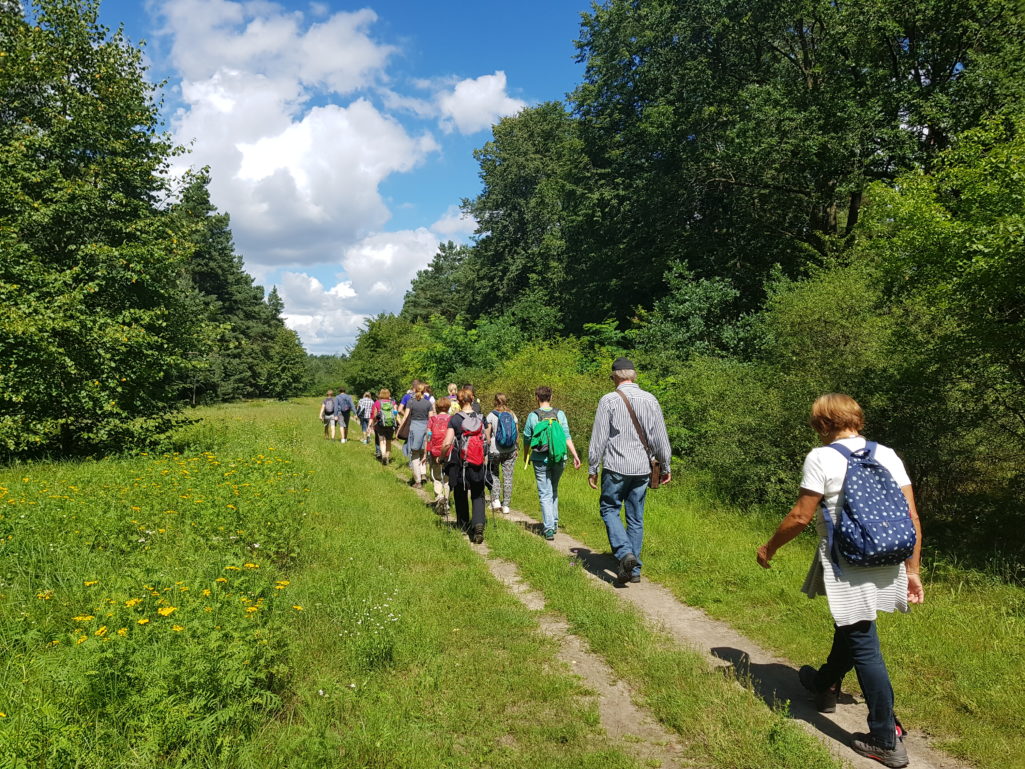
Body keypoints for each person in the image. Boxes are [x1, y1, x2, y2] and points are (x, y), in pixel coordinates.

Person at [756, 393, 924, 769]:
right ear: (856, 419)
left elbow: (801, 517)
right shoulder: (887, 454)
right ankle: (824, 684)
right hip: (888, 557)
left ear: (821, 424)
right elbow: (912, 516)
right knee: (852, 626)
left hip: (848, 562)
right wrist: (912, 571)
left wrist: (768, 548)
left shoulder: (821, 457)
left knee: (864, 644)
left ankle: (885, 738)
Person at [588, 358, 672, 585]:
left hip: (616, 467)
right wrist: (666, 466)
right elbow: (660, 438)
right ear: (633, 376)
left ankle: (625, 554)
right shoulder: (650, 399)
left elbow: (599, 438)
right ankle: (634, 571)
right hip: (642, 468)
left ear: (615, 376)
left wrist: (592, 467)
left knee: (609, 509)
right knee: (636, 516)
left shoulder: (609, 400)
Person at [522, 386, 581, 540]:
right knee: (553, 489)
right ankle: (553, 523)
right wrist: (575, 455)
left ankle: (548, 528)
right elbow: (566, 436)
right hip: (559, 458)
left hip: (540, 459)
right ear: (551, 397)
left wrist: (526, 455)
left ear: (537, 397)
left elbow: (527, 438)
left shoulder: (533, 416)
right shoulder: (559, 414)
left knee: (544, 492)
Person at [442, 387, 492, 543]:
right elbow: (487, 440)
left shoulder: (455, 419)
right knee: (478, 494)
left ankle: (463, 525)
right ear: (472, 399)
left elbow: (447, 442)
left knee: (460, 492)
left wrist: (442, 457)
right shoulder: (481, 418)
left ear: (458, 400)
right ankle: (478, 524)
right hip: (477, 462)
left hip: (460, 463)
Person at [486, 393, 518, 514]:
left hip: (495, 450)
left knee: (494, 475)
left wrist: (488, 447)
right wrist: (516, 448)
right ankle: (506, 506)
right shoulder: (512, 414)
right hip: (510, 450)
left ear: (495, 401)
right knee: (508, 477)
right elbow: (516, 433)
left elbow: (488, 435)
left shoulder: (491, 415)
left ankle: (496, 501)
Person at [425, 396, 453, 515]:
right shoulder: (451, 419)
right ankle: (445, 501)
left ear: (437, 407)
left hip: (435, 450)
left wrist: (427, 450)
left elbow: (428, 435)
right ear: (448, 407)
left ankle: (439, 496)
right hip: (448, 451)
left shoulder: (432, 419)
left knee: (436, 476)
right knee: (447, 477)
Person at [402, 382, 433, 489]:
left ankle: (418, 481)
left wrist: (398, 431)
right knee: (423, 453)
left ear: (415, 390)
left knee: (414, 455)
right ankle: (423, 473)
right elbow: (431, 419)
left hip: (414, 429)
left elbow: (405, 416)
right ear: (425, 391)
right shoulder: (428, 404)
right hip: (425, 429)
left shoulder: (411, 402)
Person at [370, 388, 399, 465]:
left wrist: (373, 423)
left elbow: (374, 415)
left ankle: (383, 455)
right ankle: (387, 457)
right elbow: (396, 414)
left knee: (382, 441)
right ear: (389, 394)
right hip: (390, 424)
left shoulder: (377, 403)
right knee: (389, 441)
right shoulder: (393, 403)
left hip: (380, 424)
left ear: (380, 394)